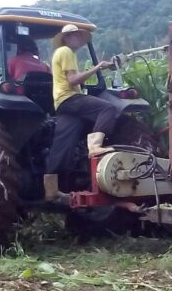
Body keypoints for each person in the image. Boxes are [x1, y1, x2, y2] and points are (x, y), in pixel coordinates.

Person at [43, 24, 123, 201]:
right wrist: (97, 67)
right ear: (66, 38)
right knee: (107, 108)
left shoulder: (61, 53)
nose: (79, 39)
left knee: (62, 145)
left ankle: (51, 190)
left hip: (61, 102)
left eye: (80, 36)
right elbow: (73, 80)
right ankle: (94, 147)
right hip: (69, 98)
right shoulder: (66, 52)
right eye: (75, 35)